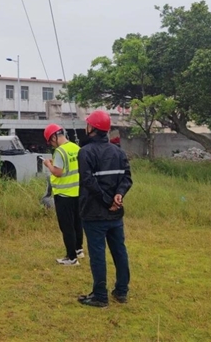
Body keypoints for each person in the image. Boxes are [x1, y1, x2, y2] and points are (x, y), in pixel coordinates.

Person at [77, 110, 132, 307]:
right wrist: (119, 196)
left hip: (94, 214)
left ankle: (100, 296)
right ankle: (121, 291)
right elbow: (126, 178)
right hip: (115, 214)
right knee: (119, 251)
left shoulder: (85, 152)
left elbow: (88, 182)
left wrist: (108, 200)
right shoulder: (119, 152)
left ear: (91, 128)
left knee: (98, 254)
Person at [42, 124, 84, 265]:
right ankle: (79, 249)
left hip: (64, 194)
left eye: (50, 141)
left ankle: (71, 258)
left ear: (54, 136)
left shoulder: (60, 151)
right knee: (78, 223)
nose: (51, 144)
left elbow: (58, 172)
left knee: (67, 227)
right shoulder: (75, 148)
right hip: (77, 192)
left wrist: (48, 164)